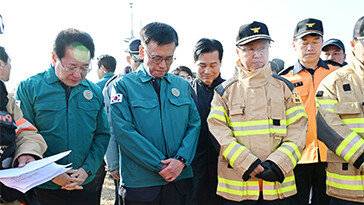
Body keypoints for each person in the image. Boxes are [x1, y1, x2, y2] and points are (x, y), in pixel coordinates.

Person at [207, 21, 308, 204]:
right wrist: (247, 163)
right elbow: (217, 131)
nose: (257, 54)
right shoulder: (224, 91)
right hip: (238, 186)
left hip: (278, 185)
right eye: (250, 48)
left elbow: (298, 130)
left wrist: (278, 163)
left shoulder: (285, 87)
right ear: (238, 51)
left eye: (262, 47)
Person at [15, 28, 110, 205]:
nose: (77, 75)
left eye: (84, 68)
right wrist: (51, 173)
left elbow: (102, 135)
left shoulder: (94, 92)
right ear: (54, 58)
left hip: (84, 184)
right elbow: (23, 135)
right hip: (43, 187)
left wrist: (87, 169)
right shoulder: (30, 88)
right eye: (71, 67)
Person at [110, 22, 201, 205]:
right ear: (142, 52)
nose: (163, 65)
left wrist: (181, 161)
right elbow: (124, 131)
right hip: (141, 183)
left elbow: (194, 124)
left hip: (179, 180)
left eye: (169, 59)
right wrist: (160, 165)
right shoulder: (123, 86)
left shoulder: (182, 86)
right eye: (156, 58)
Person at [279, 18, 339, 205]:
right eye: (304, 42)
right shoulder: (284, 79)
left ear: (322, 43)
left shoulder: (337, 73)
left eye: (315, 42)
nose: (310, 47)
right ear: (294, 45)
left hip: (332, 154)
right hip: (297, 156)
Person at [315, 16, 364, 205]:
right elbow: (326, 125)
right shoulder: (333, 82)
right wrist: (361, 155)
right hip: (346, 191)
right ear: (353, 44)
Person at [0, 46, 47, 204]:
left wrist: (26, 153)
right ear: (1, 65)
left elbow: (26, 132)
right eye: (9, 63)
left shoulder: (6, 101)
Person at [103, 38, 143, 205]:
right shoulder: (113, 86)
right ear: (129, 59)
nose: (141, 65)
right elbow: (109, 127)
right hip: (124, 162)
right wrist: (112, 163)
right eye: (137, 61)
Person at [188, 38, 225, 205]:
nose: (207, 71)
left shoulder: (231, 90)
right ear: (194, 63)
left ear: (221, 63)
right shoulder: (185, 91)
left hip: (226, 170)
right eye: (202, 65)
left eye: (213, 65)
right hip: (194, 170)